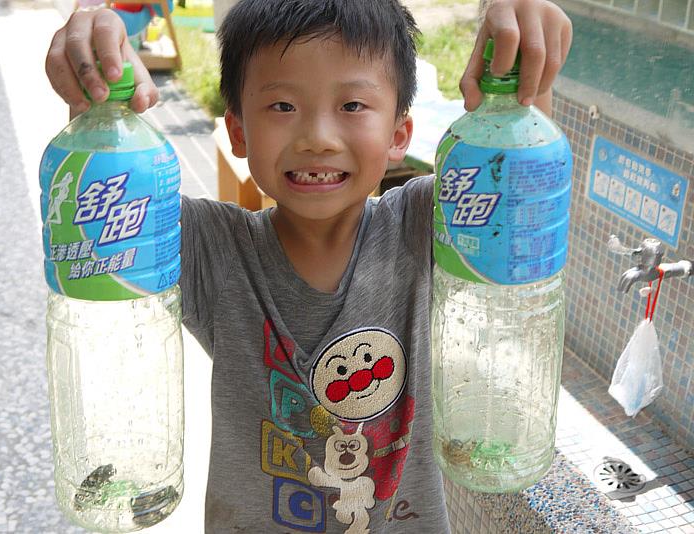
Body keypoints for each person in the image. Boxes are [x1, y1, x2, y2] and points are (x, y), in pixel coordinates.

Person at [45, 0, 572, 531]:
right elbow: (106, 213)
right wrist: (96, 92)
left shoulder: (425, 228)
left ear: (398, 134)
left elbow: (516, 189)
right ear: (238, 131)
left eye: (352, 106)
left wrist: (523, 78)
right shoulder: (212, 250)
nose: (317, 136)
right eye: (281, 106)